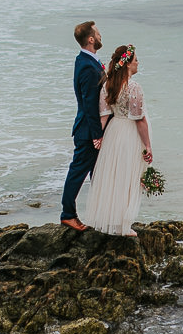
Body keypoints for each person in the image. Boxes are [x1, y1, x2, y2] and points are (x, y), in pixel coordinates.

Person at [80, 44, 152, 237]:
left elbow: (103, 115)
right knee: (128, 177)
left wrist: (99, 136)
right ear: (128, 64)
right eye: (135, 59)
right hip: (129, 132)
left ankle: (111, 220)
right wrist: (147, 145)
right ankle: (124, 224)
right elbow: (140, 120)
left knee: (113, 175)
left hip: (113, 132)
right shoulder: (134, 87)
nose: (138, 62)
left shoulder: (108, 85)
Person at [60, 21, 105, 231]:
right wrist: (97, 134)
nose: (100, 35)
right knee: (78, 172)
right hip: (87, 131)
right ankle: (68, 214)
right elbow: (89, 103)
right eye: (97, 33)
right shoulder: (87, 66)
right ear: (90, 39)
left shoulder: (87, 61)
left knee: (99, 173)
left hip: (89, 129)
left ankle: (101, 213)